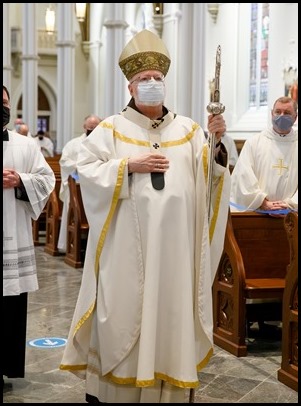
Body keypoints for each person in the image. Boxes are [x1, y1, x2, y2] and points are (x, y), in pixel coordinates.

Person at [60, 29, 231, 403]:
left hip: (175, 259)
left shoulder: (188, 132)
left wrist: (217, 148)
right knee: (122, 318)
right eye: (144, 79)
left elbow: (210, 181)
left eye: (157, 79)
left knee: (169, 321)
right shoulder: (110, 130)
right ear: (131, 87)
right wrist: (127, 166)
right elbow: (82, 170)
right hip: (126, 257)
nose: (152, 84)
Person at [3, 85, 56, 381]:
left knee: (10, 303)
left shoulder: (26, 145)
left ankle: (6, 366)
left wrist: (20, 180)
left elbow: (47, 179)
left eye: (5, 101)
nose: (3, 106)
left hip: (14, 233)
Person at [230, 96, 298, 214]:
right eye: (278, 112)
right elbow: (243, 176)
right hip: (258, 214)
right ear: (272, 114)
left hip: (293, 216)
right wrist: (262, 202)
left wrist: (290, 204)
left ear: (295, 117)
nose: (281, 116)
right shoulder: (254, 143)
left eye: (287, 113)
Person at [57, 114, 102, 252]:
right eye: (90, 128)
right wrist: (80, 166)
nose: (92, 131)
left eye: (96, 128)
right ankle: (71, 245)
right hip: (77, 186)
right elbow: (64, 161)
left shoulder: (103, 144)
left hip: (97, 188)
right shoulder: (73, 144)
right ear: (84, 127)